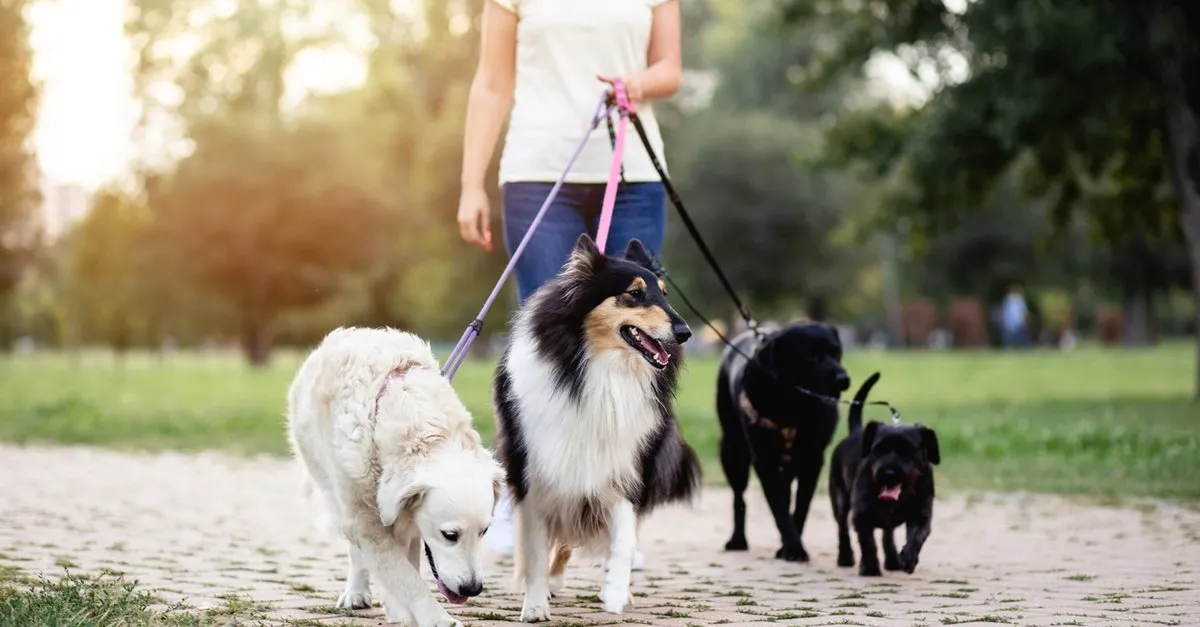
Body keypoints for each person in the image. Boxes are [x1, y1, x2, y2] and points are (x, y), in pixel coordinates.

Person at [456, 0, 682, 568]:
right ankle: (524, 498)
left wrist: (635, 83)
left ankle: (613, 513)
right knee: (544, 340)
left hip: (634, 173)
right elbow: (491, 82)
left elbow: (669, 70)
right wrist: (470, 184)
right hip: (538, 172)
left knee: (634, 344)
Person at [1000, 284, 1029, 348]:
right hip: (1009, 323)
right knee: (1008, 340)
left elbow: (1023, 312)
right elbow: (1005, 312)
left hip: (1018, 323)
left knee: (1021, 339)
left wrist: (1024, 321)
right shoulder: (1007, 300)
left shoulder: (1020, 300)